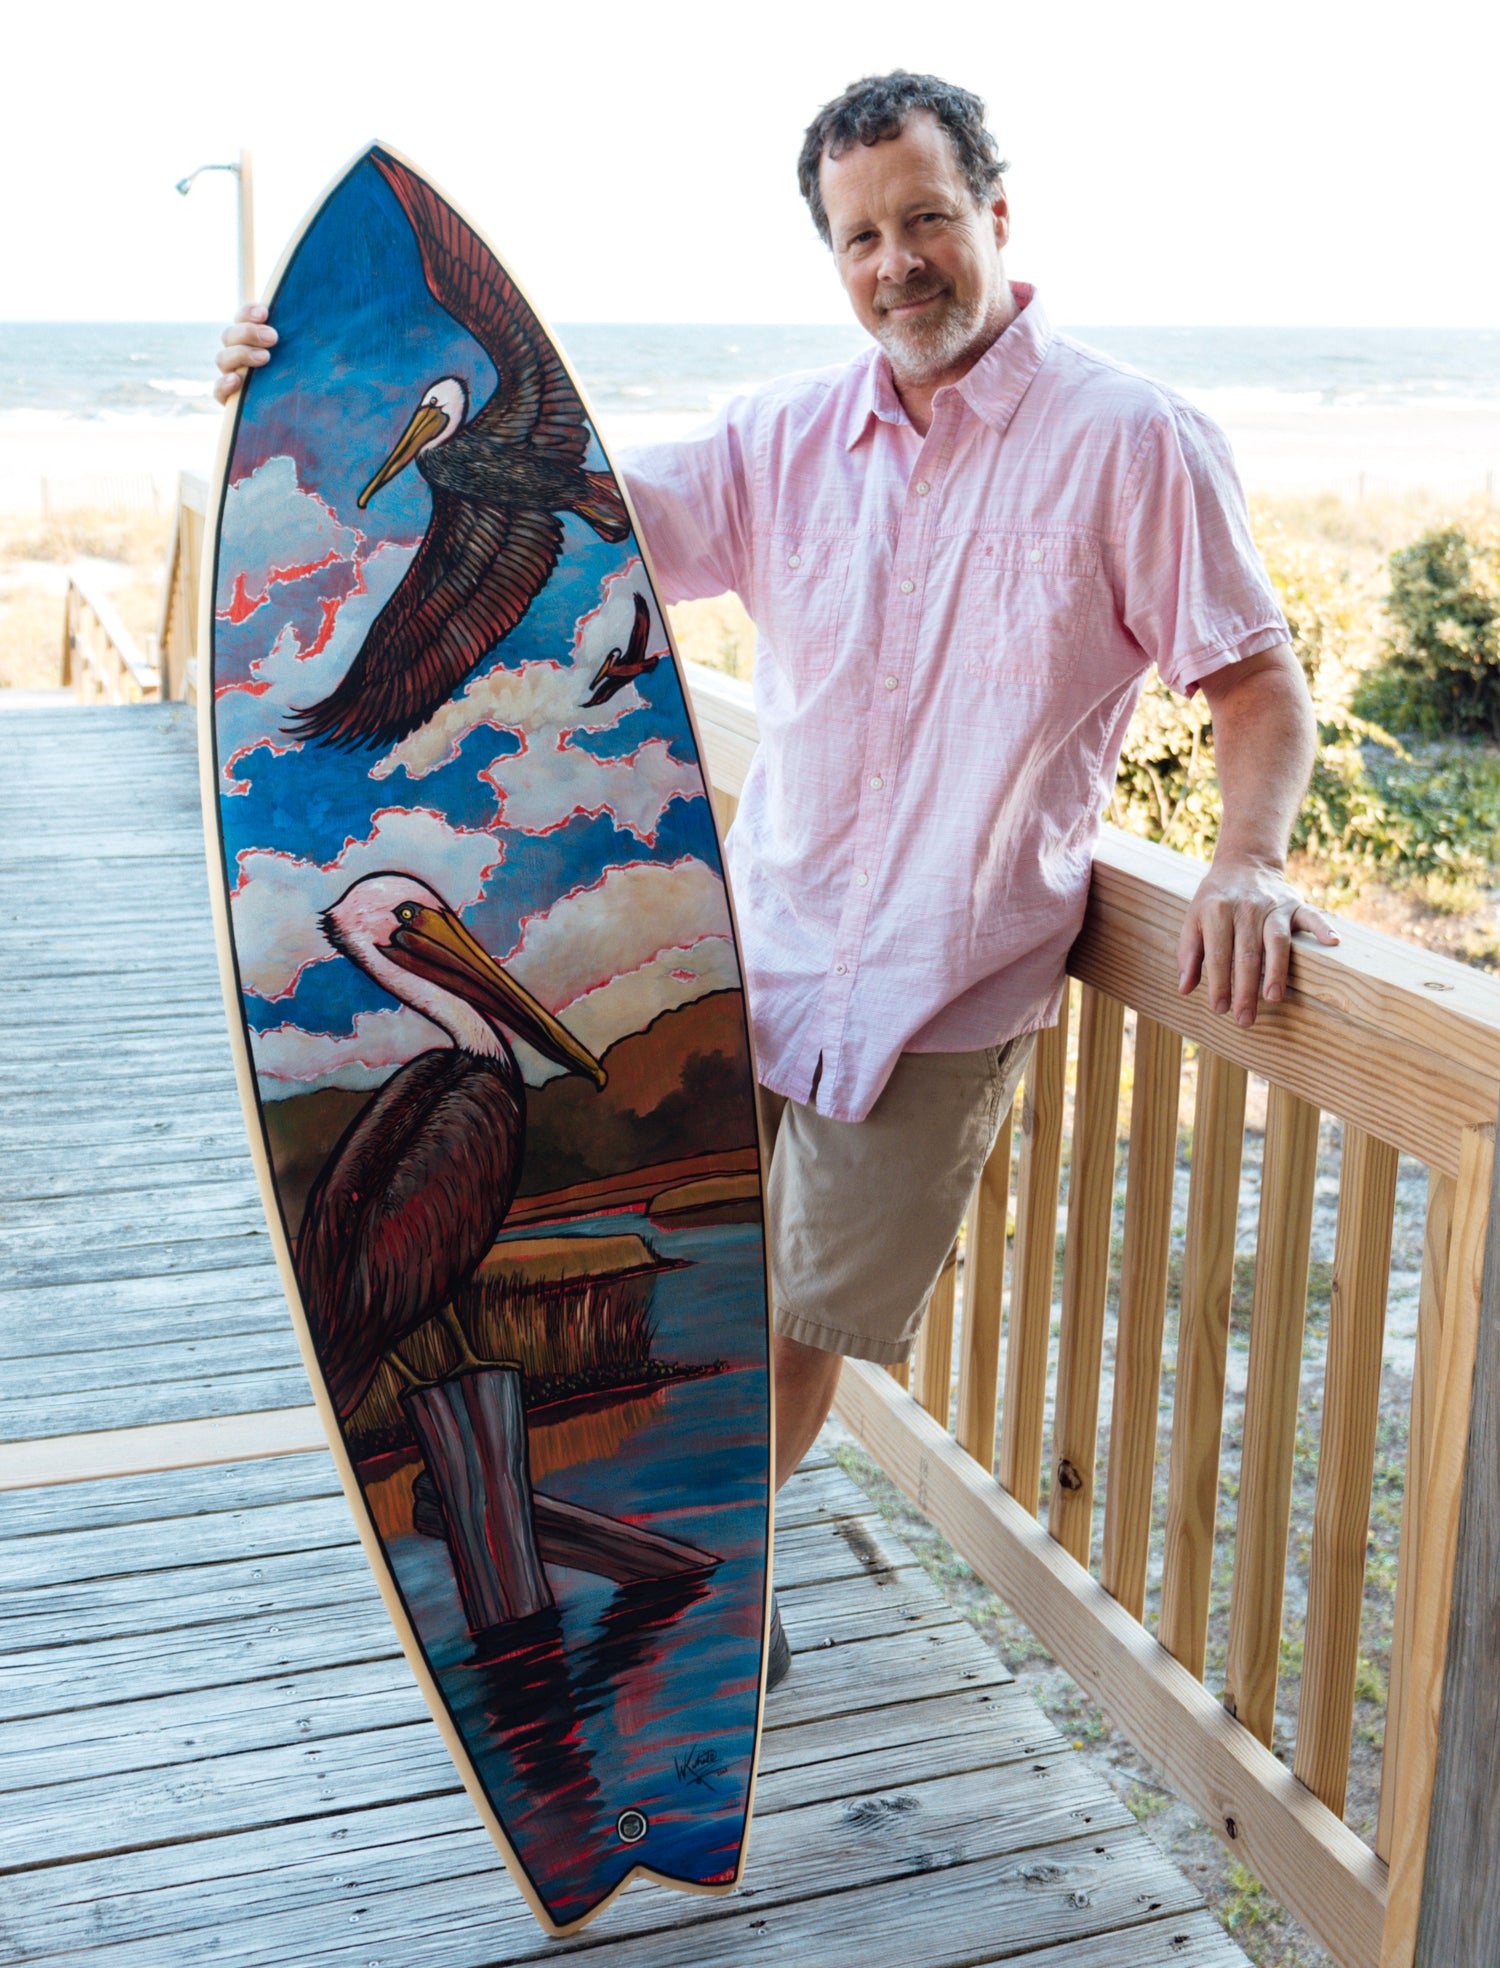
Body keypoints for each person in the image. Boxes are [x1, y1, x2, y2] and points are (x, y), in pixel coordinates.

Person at [216, 71, 1337, 1688]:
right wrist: (305, 384)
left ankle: (709, 1562)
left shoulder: (1132, 441)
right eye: (861, 236)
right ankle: (706, 1557)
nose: (900, 263)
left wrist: (1247, 862)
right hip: (763, 950)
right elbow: (568, 520)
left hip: (946, 993)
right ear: (835, 254)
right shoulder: (787, 440)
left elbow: (1254, 686)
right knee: (719, 1300)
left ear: (997, 218)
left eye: (929, 220)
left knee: (802, 1329)